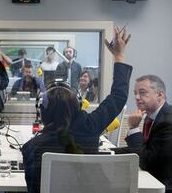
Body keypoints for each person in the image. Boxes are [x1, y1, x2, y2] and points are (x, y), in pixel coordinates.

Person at [22, 26, 131, 193]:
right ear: (77, 105)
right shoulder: (91, 126)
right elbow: (119, 96)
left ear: (42, 112)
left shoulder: (32, 147)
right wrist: (119, 55)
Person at [115, 75, 172, 192]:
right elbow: (145, 150)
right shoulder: (151, 116)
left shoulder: (167, 122)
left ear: (160, 95)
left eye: (142, 92)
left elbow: (149, 163)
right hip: (159, 178)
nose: (137, 97)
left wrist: (133, 128)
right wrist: (110, 152)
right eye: (135, 93)